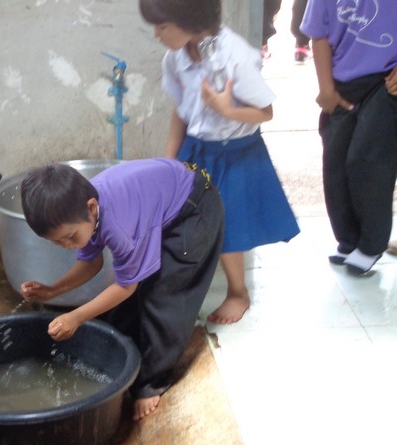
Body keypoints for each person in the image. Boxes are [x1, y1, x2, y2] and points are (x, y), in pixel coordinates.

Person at [19, 159, 224, 421]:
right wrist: (52, 291)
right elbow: (90, 261)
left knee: (164, 297)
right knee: (128, 301)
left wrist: (77, 316)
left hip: (195, 210)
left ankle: (153, 382)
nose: (67, 245)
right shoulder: (81, 208)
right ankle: (124, 354)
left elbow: (126, 287)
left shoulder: (117, 225)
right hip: (167, 199)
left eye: (70, 237)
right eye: (56, 242)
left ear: (91, 208)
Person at [139, 0, 300, 324]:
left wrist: (228, 111)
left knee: (231, 226)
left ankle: (238, 293)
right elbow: (181, 110)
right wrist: (170, 160)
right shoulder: (175, 58)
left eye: (162, 26)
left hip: (237, 152)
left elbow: (265, 112)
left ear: (190, 20)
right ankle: (180, 284)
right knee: (181, 218)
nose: (156, 34)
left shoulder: (235, 56)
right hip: (196, 149)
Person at [301, 0, 397, 276]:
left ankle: (371, 243)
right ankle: (349, 239)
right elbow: (318, 35)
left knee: (367, 161)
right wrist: (326, 89)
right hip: (341, 84)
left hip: (385, 84)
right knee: (336, 161)